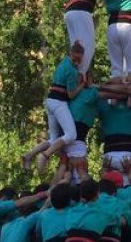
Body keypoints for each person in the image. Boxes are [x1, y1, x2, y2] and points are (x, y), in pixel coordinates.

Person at [24, 42, 87, 173]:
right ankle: (45, 155)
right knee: (71, 135)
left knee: (53, 138)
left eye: (79, 60)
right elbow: (71, 95)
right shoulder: (71, 70)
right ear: (71, 54)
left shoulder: (63, 63)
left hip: (50, 101)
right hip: (59, 102)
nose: (77, 62)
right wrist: (82, 85)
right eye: (76, 59)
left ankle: (29, 155)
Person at [97, 94, 131, 177]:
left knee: (108, 188)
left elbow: (98, 94)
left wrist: (112, 91)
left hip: (110, 157)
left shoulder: (105, 109)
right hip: (130, 156)